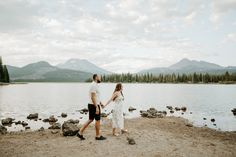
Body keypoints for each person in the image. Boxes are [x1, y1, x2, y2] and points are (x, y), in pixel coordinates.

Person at [77, 74, 106, 140]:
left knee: (90, 119)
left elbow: (96, 97)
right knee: (97, 120)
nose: (100, 78)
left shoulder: (95, 85)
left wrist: (101, 103)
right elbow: (93, 97)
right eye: (99, 77)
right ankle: (98, 136)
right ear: (96, 78)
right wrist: (97, 107)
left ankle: (80, 132)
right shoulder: (93, 85)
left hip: (93, 104)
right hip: (94, 105)